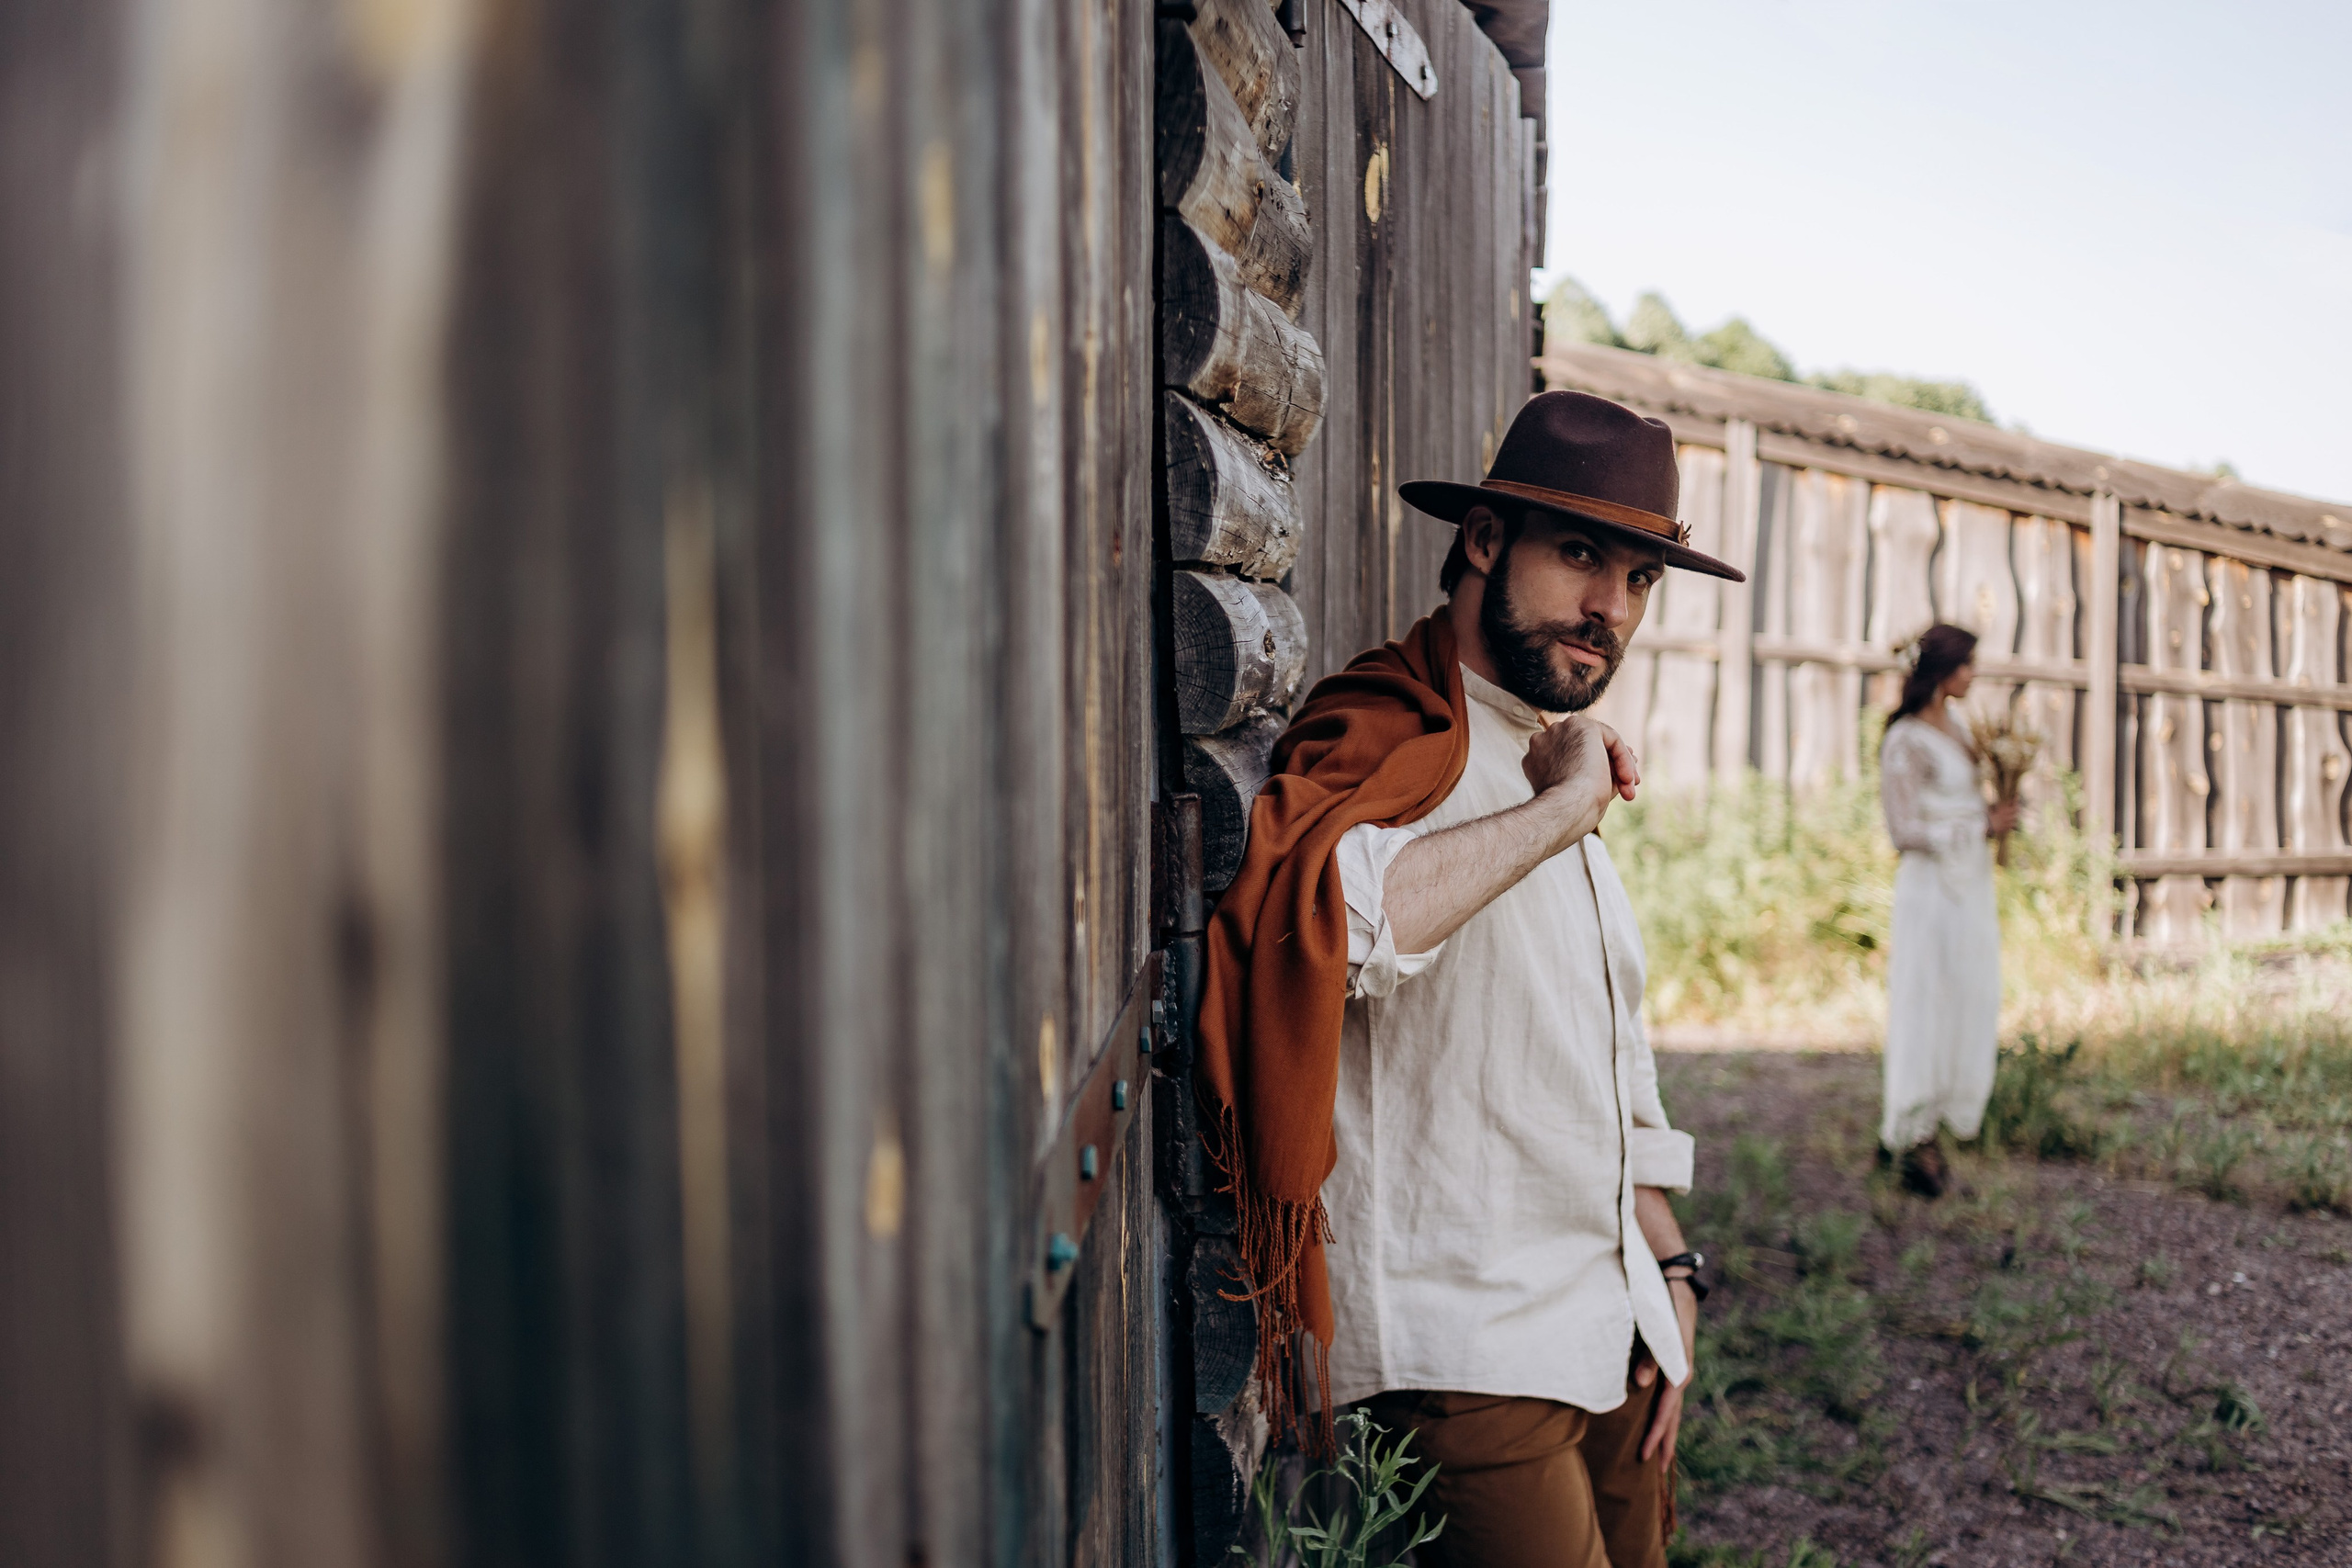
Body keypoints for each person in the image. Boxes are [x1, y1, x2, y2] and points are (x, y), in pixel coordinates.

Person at [1194, 392, 1746, 1568]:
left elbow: (1601, 1042)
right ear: (1486, 541)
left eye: (1642, 578)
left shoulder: (1546, 751)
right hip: (1467, 1348)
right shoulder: (1392, 732)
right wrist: (1561, 813)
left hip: (1609, 1318)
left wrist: (1672, 1262)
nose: (1611, 608)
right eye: (1583, 556)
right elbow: (1326, 924)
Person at [1876, 624, 2016, 1198]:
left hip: (1969, 886)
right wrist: (1981, 825)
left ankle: (1947, 1112)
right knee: (1927, 998)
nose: (1974, 675)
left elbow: (1959, 800)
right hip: (1930, 890)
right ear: (1942, 671)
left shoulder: (1959, 727)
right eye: (1968, 665)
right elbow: (1903, 831)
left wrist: (2000, 808)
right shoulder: (1905, 740)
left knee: (1971, 992)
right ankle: (1912, 1131)